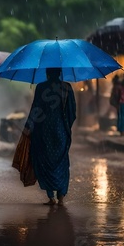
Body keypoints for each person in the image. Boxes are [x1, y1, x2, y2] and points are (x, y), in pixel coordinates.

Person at [24, 68, 76, 206]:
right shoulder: (67, 88)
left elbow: (36, 110)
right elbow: (72, 112)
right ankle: (61, 196)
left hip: (44, 131)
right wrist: (66, 126)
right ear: (60, 73)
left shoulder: (41, 87)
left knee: (45, 161)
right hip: (61, 131)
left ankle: (51, 197)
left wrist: (29, 127)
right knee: (61, 161)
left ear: (47, 74)